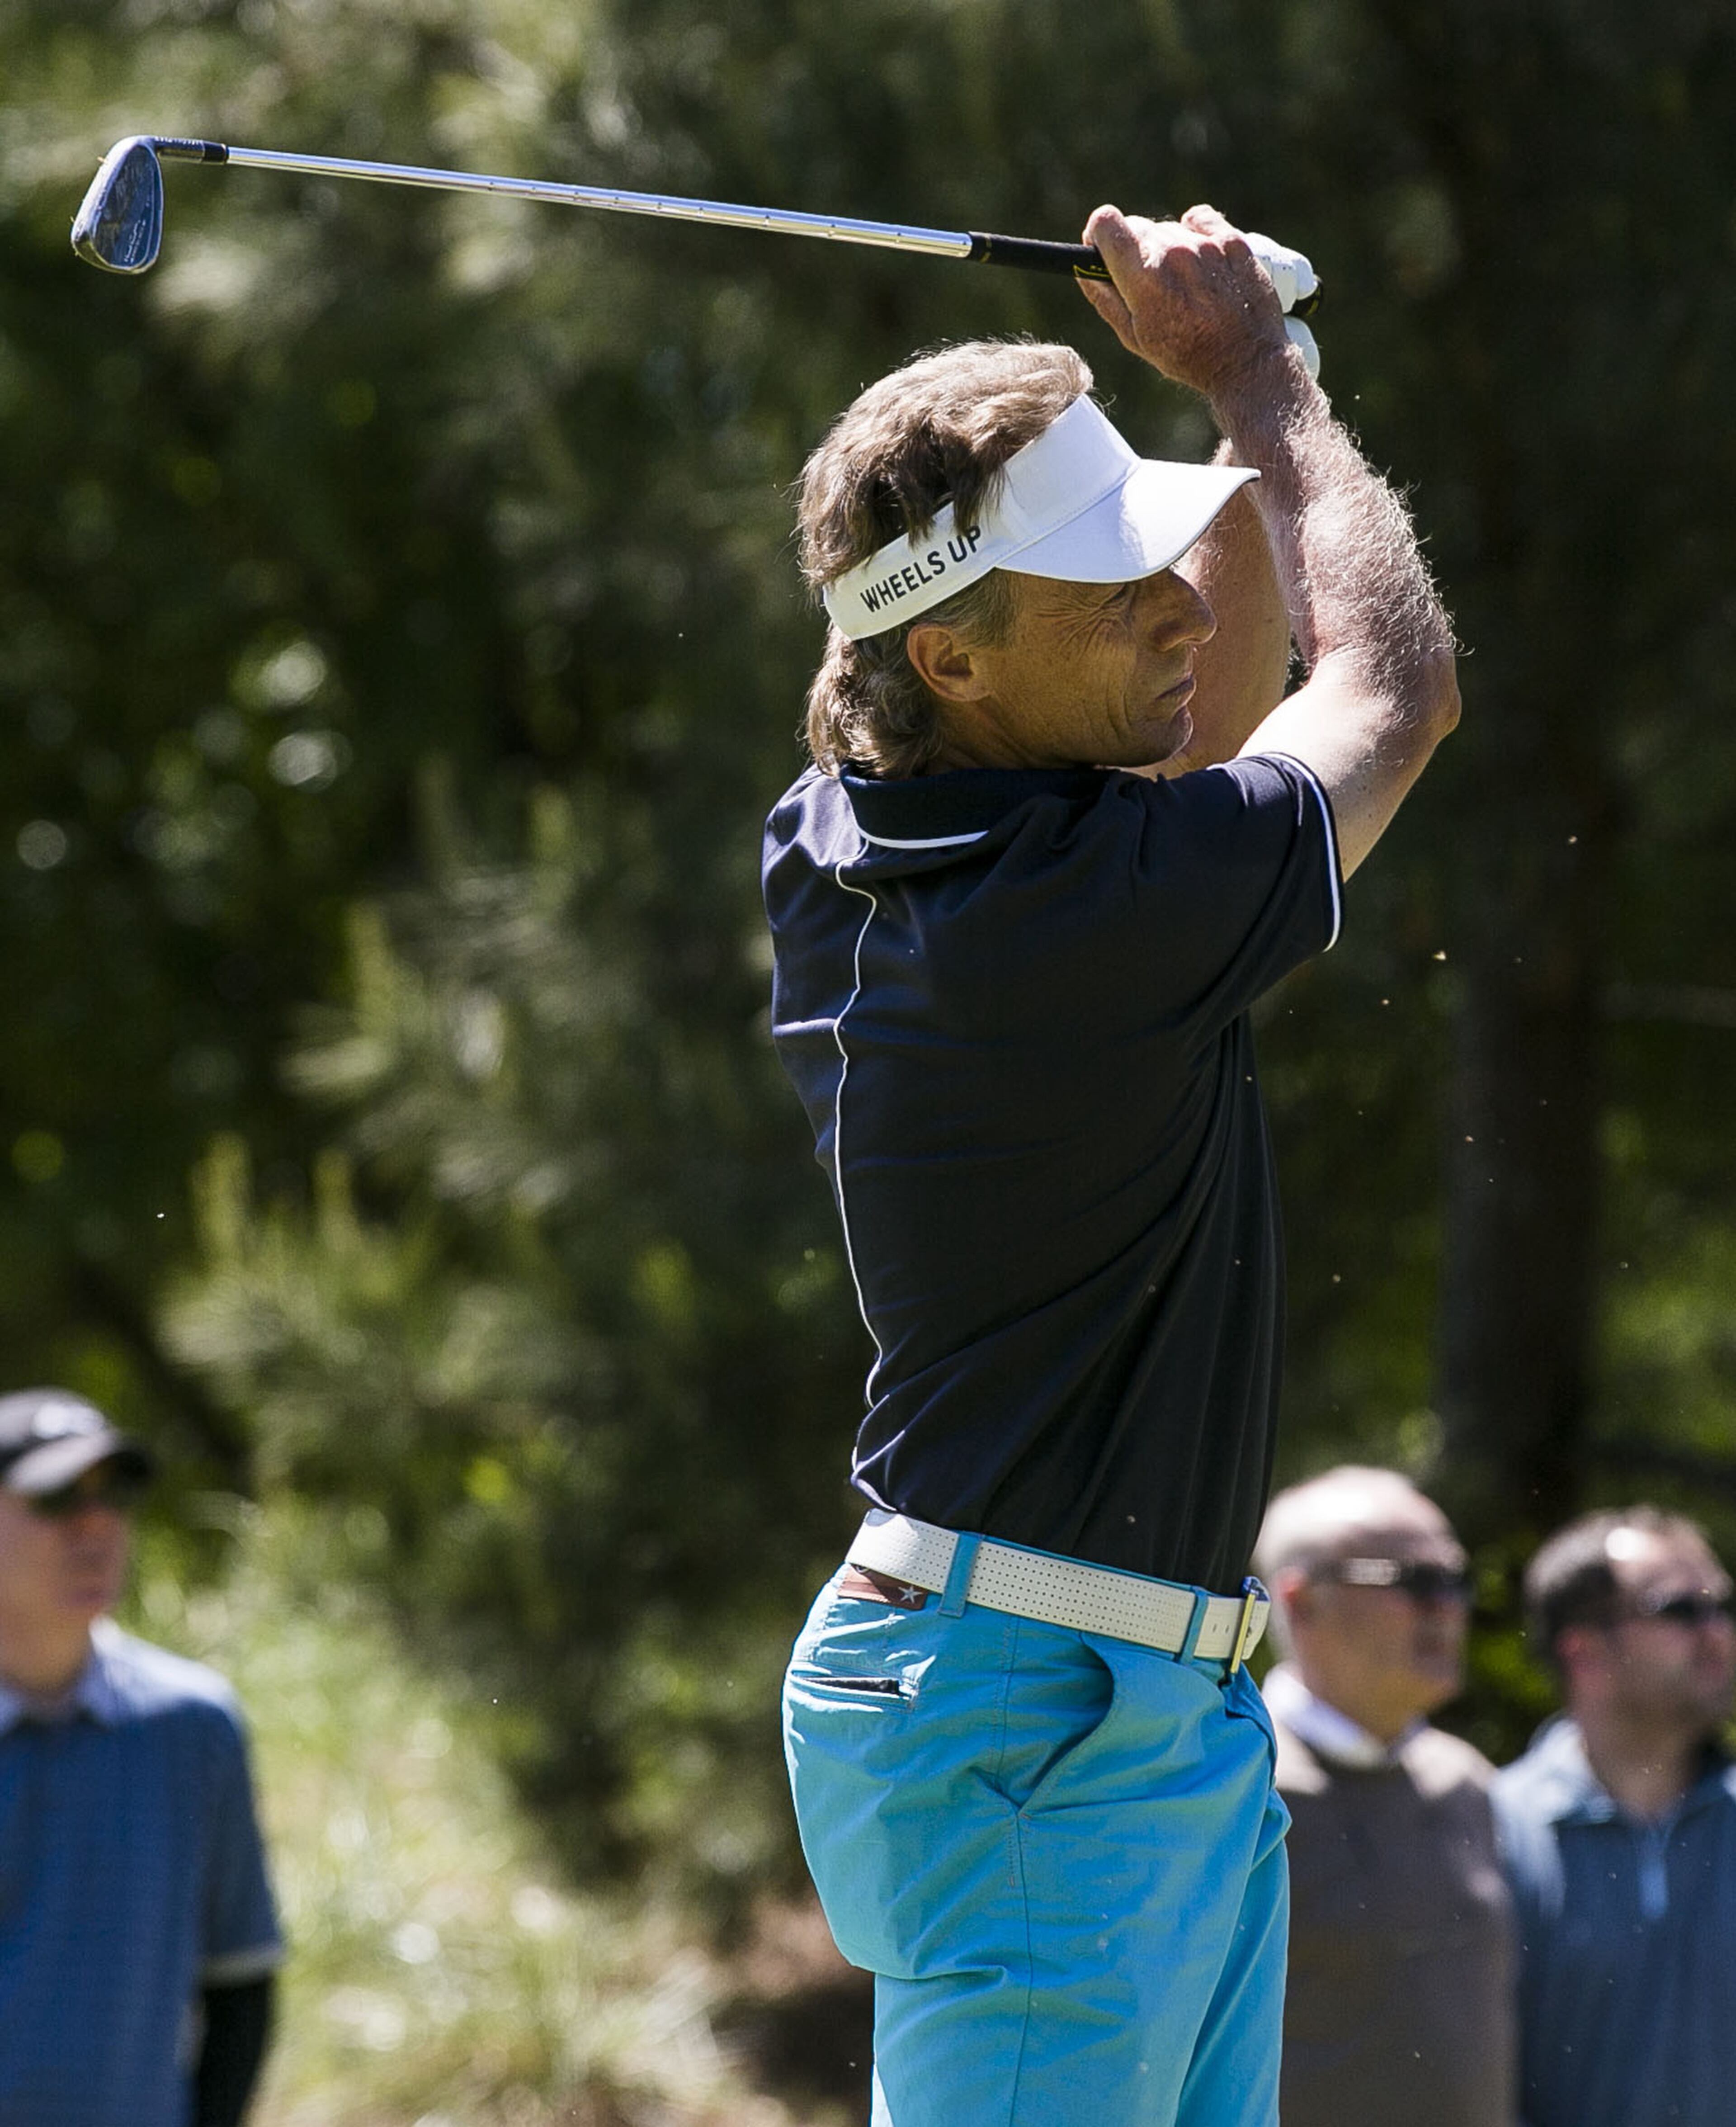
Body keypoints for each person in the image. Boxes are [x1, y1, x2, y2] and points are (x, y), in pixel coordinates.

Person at [764, 201, 1458, 2127]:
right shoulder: (1072, 915)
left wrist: (1197, 443)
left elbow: (1204, 716)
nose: (1179, 600)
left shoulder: (857, 835)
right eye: (1113, 586)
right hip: (1041, 1726)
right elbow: (1387, 690)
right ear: (961, 666)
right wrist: (1253, 375)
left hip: (1102, 1702)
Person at [0, 1387, 282, 2127]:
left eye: (114, 1493)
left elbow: (241, 1979)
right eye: (56, 1498)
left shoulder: (193, 1726)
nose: (94, 1525)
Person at [1252, 1466, 1516, 2127]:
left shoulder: (1467, 1783)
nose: (1447, 1608)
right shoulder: (1240, 1790)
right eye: (1415, 1582)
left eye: (1455, 1580)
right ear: (1303, 1601)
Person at [1491, 1505, 1736, 2127]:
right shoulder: (1493, 1832)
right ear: (1585, 1650)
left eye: (1723, 1608)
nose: (1719, 1635)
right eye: (1682, 1610)